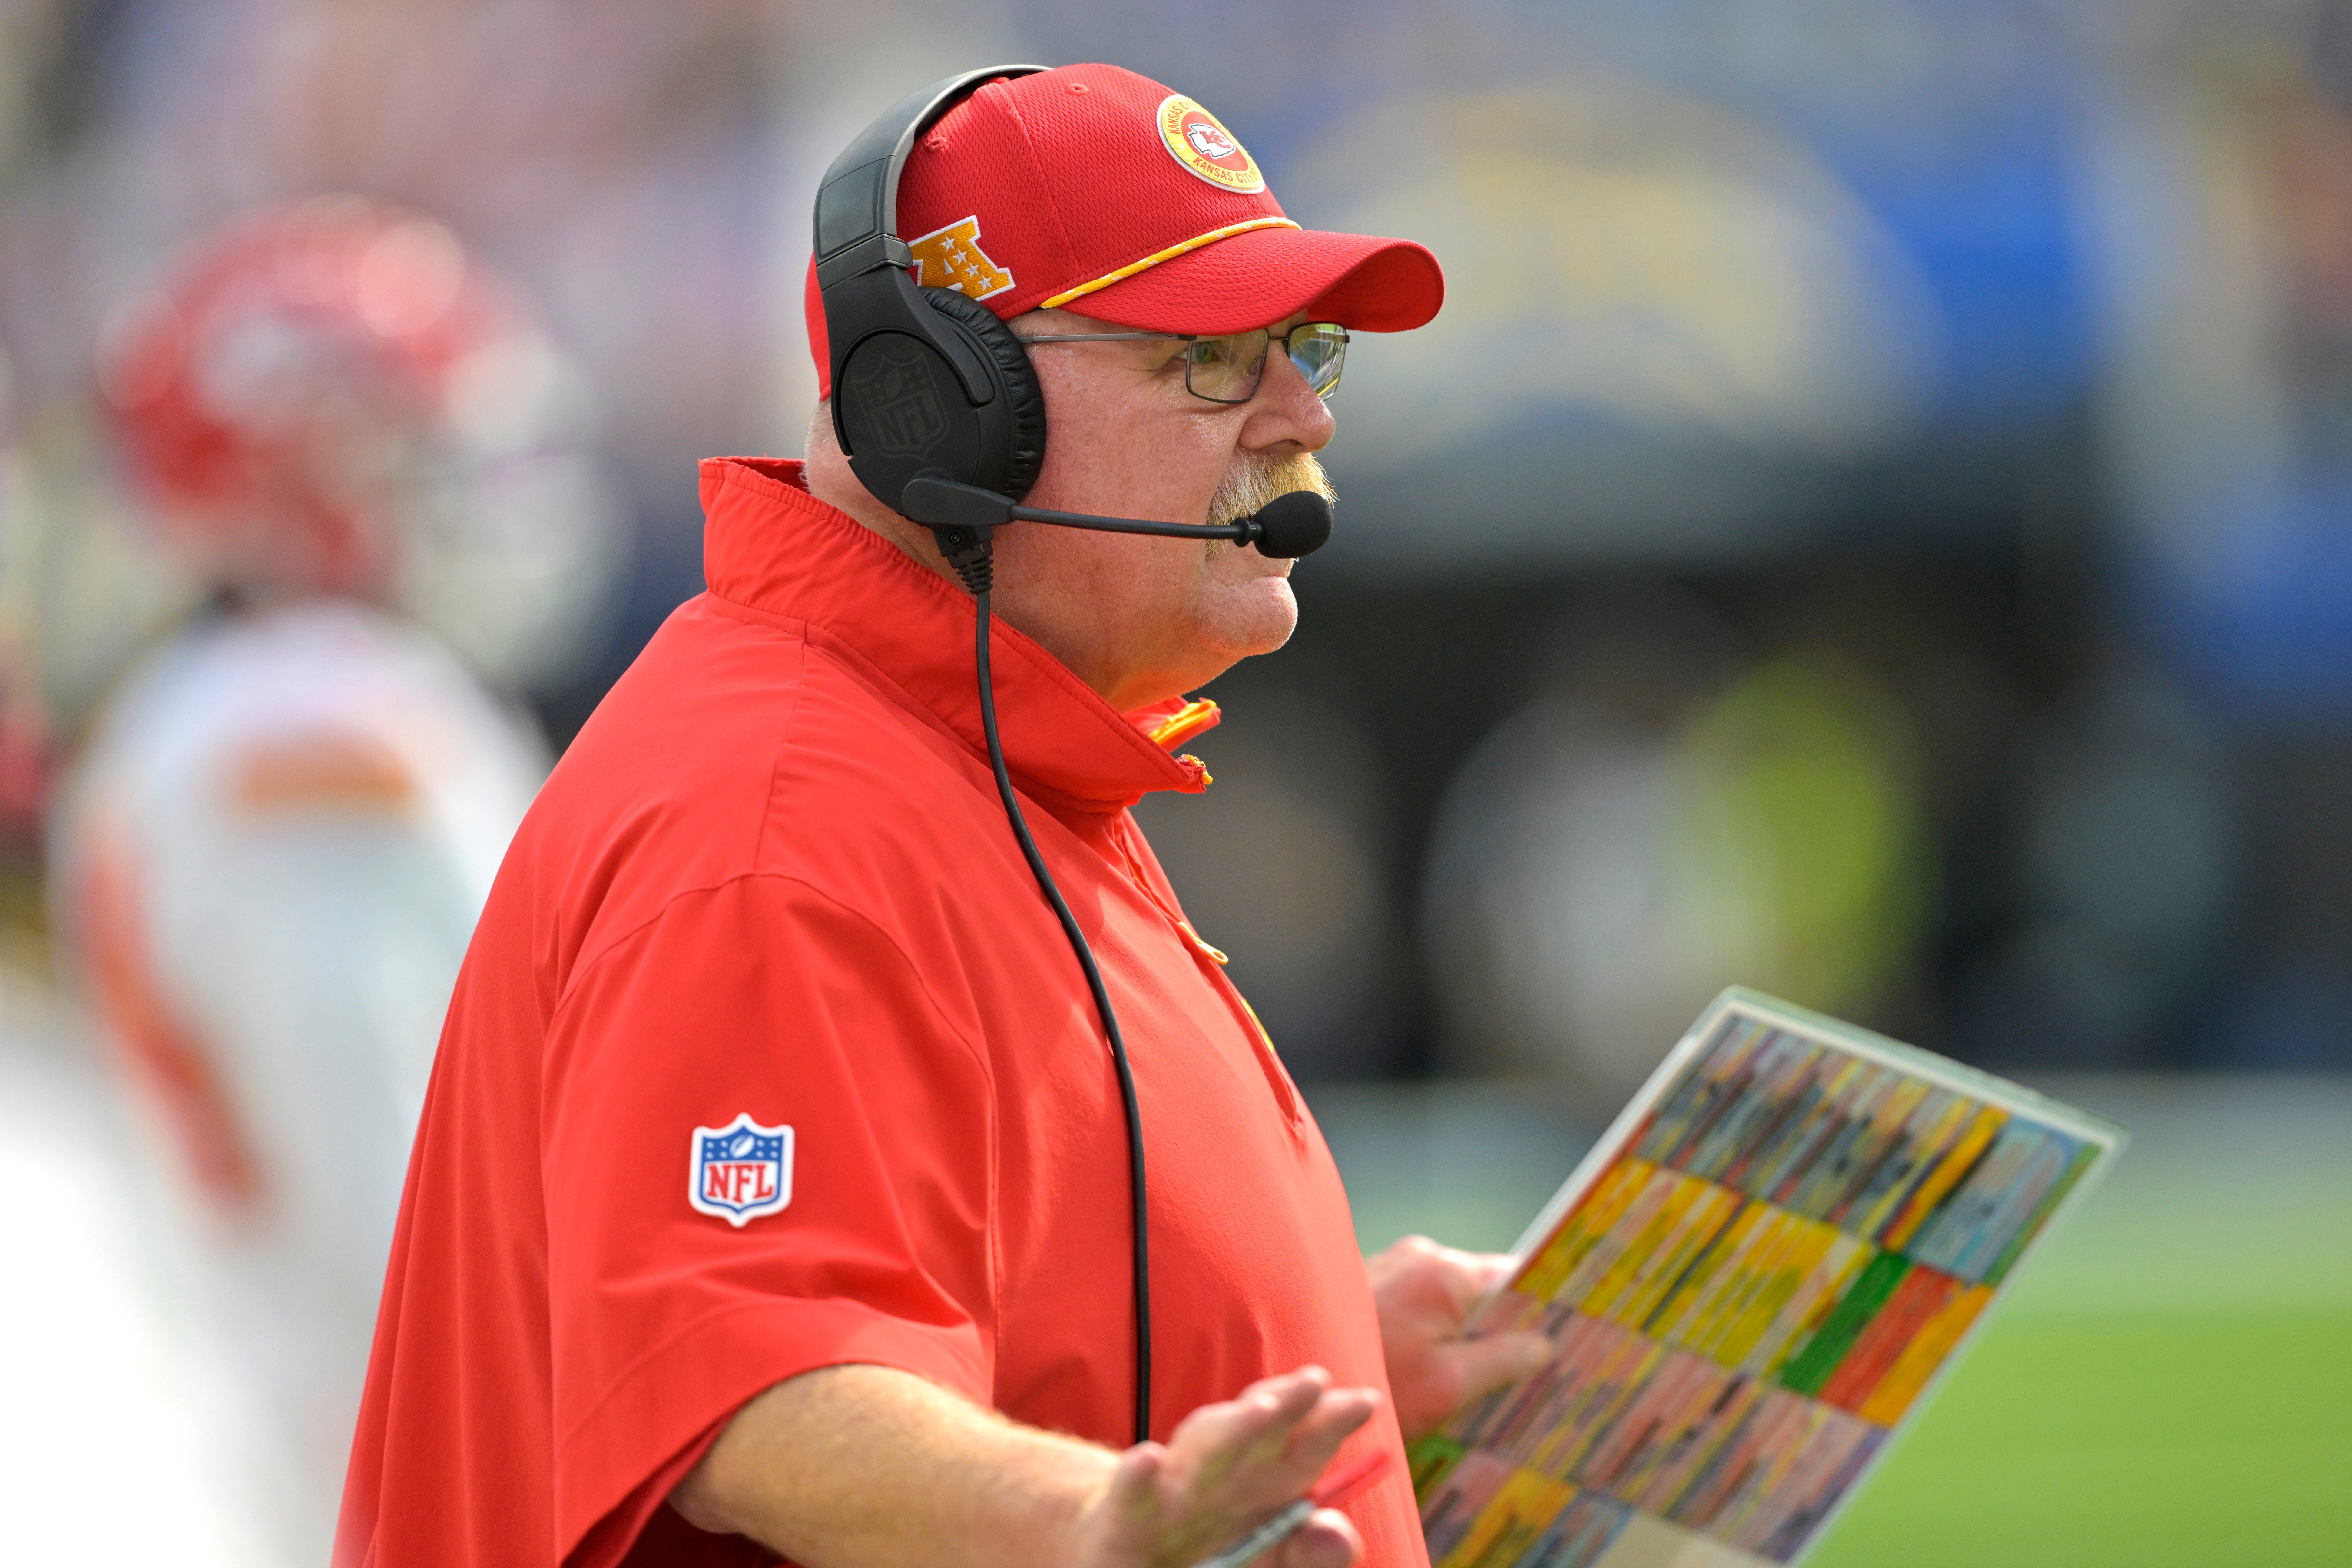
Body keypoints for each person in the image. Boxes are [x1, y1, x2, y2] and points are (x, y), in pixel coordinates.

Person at [337, 65, 1552, 1568]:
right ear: (948, 404)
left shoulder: (969, 759)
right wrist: (1089, 1523)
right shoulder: (773, 823)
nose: (1301, 409)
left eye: (1302, 348)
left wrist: (1315, 1369)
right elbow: (759, 1387)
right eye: (1211, 359)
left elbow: (968, 1308)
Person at [48, 196, 617, 1563]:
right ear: (315, 478)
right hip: (400, 1480)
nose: (478, 502)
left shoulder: (236, 714)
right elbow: (406, 1189)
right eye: (425, 460)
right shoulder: (321, 729)